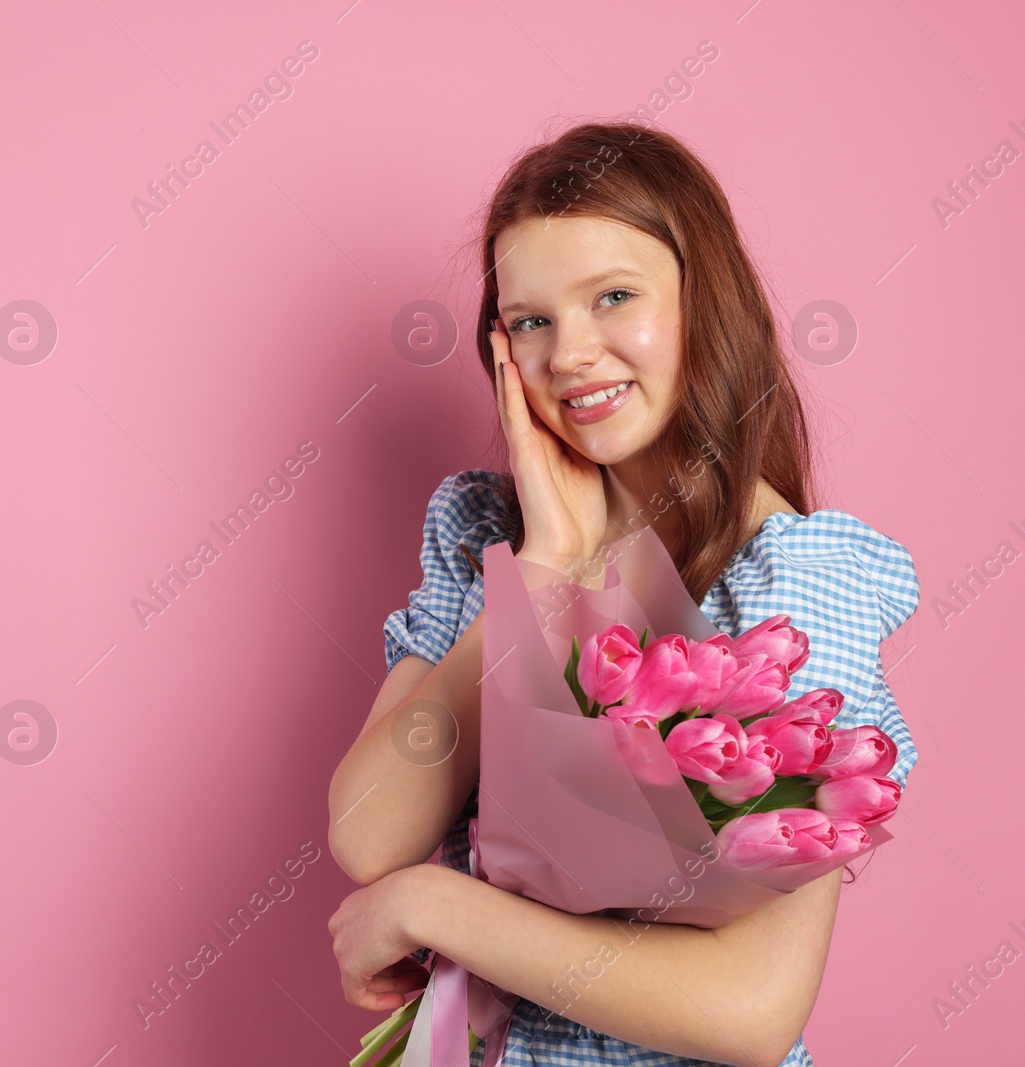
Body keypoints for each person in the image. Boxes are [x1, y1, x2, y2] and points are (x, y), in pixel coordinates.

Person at [325, 120, 920, 1067]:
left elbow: (752, 1011)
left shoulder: (792, 584)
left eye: (613, 297)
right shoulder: (484, 532)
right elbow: (367, 831)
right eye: (531, 320)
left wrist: (432, 905)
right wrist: (546, 572)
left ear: (705, 303)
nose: (571, 354)